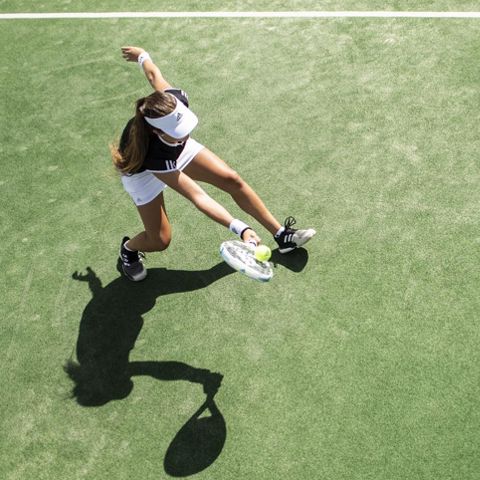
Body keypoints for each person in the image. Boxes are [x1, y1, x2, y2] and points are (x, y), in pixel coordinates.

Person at [111, 46, 316, 281]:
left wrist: (142, 56)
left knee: (231, 179)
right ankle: (129, 249)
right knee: (160, 240)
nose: (186, 133)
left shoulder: (172, 103)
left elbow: (153, 75)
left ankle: (281, 235)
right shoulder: (152, 153)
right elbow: (198, 196)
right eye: (180, 131)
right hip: (143, 173)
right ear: (157, 130)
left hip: (172, 147)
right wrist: (241, 228)